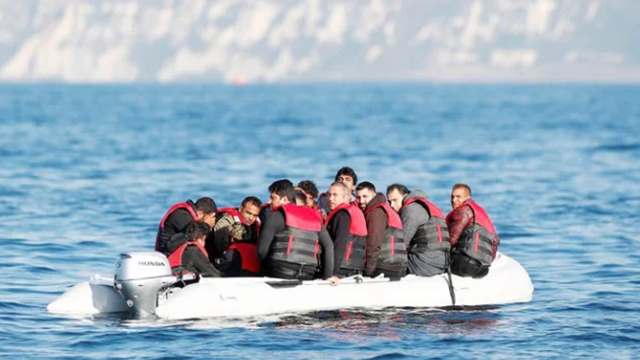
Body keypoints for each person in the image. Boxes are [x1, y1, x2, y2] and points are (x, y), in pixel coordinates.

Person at [258, 182, 336, 281]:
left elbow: (261, 251)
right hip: (308, 271)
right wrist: (327, 276)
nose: (270, 202)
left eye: (273, 198)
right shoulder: (315, 216)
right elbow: (329, 246)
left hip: (281, 269)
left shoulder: (276, 215)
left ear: (285, 199)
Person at [386, 184, 450, 277]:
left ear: (405, 195)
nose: (391, 205)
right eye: (389, 202)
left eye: (395, 200)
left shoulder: (410, 210)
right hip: (443, 261)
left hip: (426, 263)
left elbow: (402, 243)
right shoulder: (425, 204)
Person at [446, 183, 500, 278]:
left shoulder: (463, 210)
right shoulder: (481, 213)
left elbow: (451, 240)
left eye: (458, 197)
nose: (454, 200)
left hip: (465, 265)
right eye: (452, 197)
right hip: (483, 269)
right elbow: (495, 242)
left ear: (467, 197)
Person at [355, 181, 407, 279]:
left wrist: (367, 273)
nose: (361, 201)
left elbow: (374, 244)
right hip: (396, 264)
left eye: (365, 196)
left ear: (373, 195)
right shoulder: (383, 207)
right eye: (358, 197)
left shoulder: (376, 212)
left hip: (387, 266)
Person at [210, 196, 262, 276]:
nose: (251, 218)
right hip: (229, 260)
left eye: (255, 215)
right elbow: (219, 244)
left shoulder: (257, 224)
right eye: (248, 213)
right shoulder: (227, 220)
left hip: (249, 263)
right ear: (241, 209)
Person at [325, 181, 368, 277]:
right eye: (329, 195)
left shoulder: (342, 215)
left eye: (335, 195)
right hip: (355, 268)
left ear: (344, 197)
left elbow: (340, 243)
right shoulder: (353, 211)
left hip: (342, 269)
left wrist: (333, 273)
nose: (330, 198)